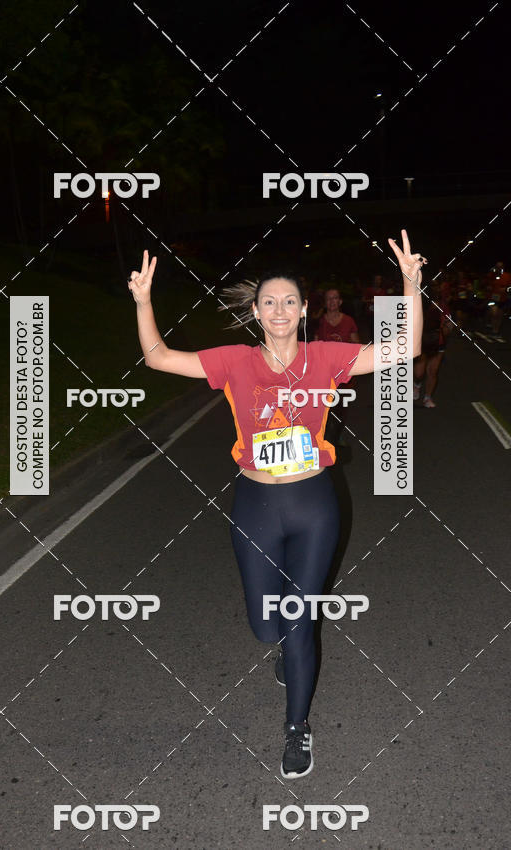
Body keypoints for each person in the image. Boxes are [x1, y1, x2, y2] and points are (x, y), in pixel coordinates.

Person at [128, 231, 425, 779]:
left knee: (297, 622)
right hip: (256, 502)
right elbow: (159, 358)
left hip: (314, 503)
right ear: (257, 312)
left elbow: (403, 349)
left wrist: (410, 284)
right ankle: (283, 648)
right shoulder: (236, 362)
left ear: (304, 309)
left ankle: (296, 730)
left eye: (290, 300)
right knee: (266, 627)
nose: (280, 309)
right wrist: (145, 302)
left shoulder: (325, 358)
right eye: (270, 302)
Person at [315, 289, 359, 445]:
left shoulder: (348, 321)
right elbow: (314, 347)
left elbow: (357, 346)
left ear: (340, 302)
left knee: (341, 408)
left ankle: (338, 433)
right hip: (324, 373)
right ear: (325, 303)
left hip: (344, 374)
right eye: (329, 299)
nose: (332, 301)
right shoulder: (319, 322)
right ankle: (321, 434)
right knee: (323, 407)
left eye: (335, 298)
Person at [413, 281, 454, 408]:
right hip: (422, 343)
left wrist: (446, 329)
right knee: (419, 373)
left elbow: (450, 324)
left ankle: (427, 397)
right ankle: (417, 385)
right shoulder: (419, 306)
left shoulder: (444, 307)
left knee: (433, 371)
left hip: (438, 343)